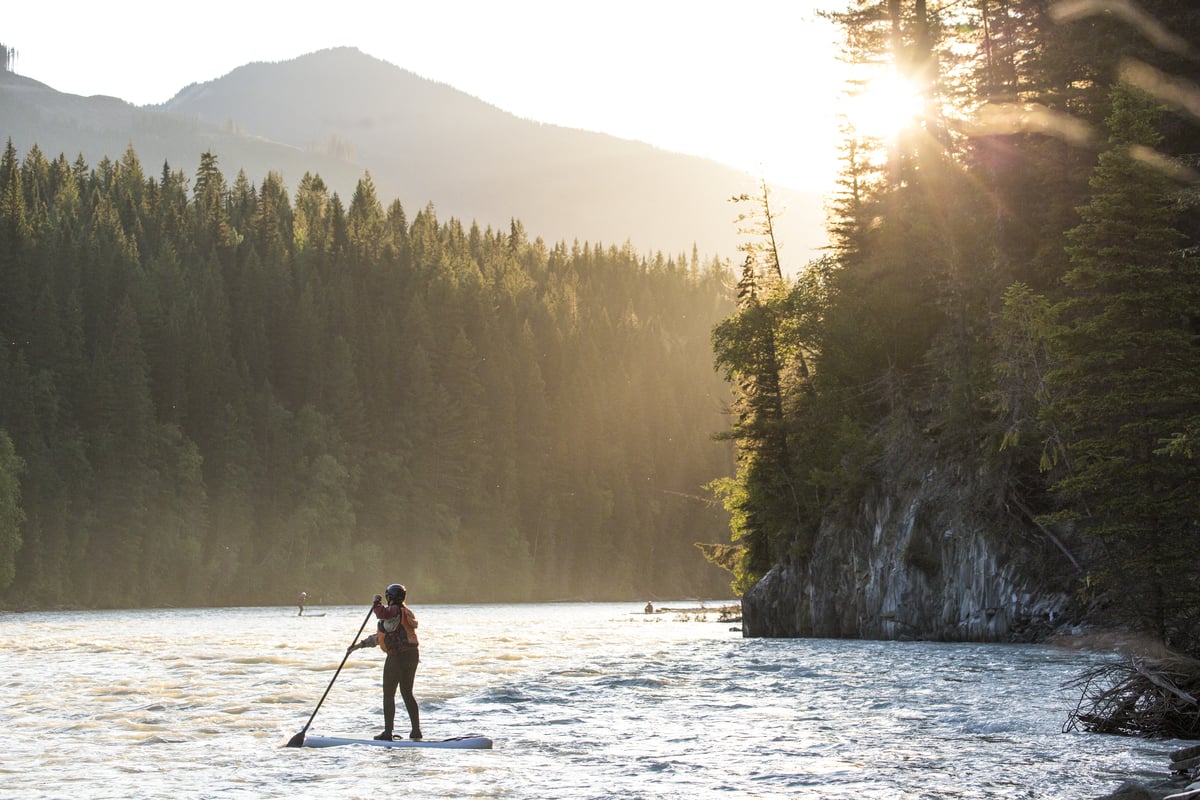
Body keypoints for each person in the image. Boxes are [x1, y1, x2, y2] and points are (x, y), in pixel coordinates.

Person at [347, 583, 421, 741]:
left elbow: (382, 614)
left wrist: (376, 603)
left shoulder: (393, 611)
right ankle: (416, 731)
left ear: (391, 597)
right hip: (412, 655)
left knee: (389, 694)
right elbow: (380, 636)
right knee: (407, 692)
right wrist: (359, 646)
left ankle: (388, 732)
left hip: (397, 657)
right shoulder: (403, 613)